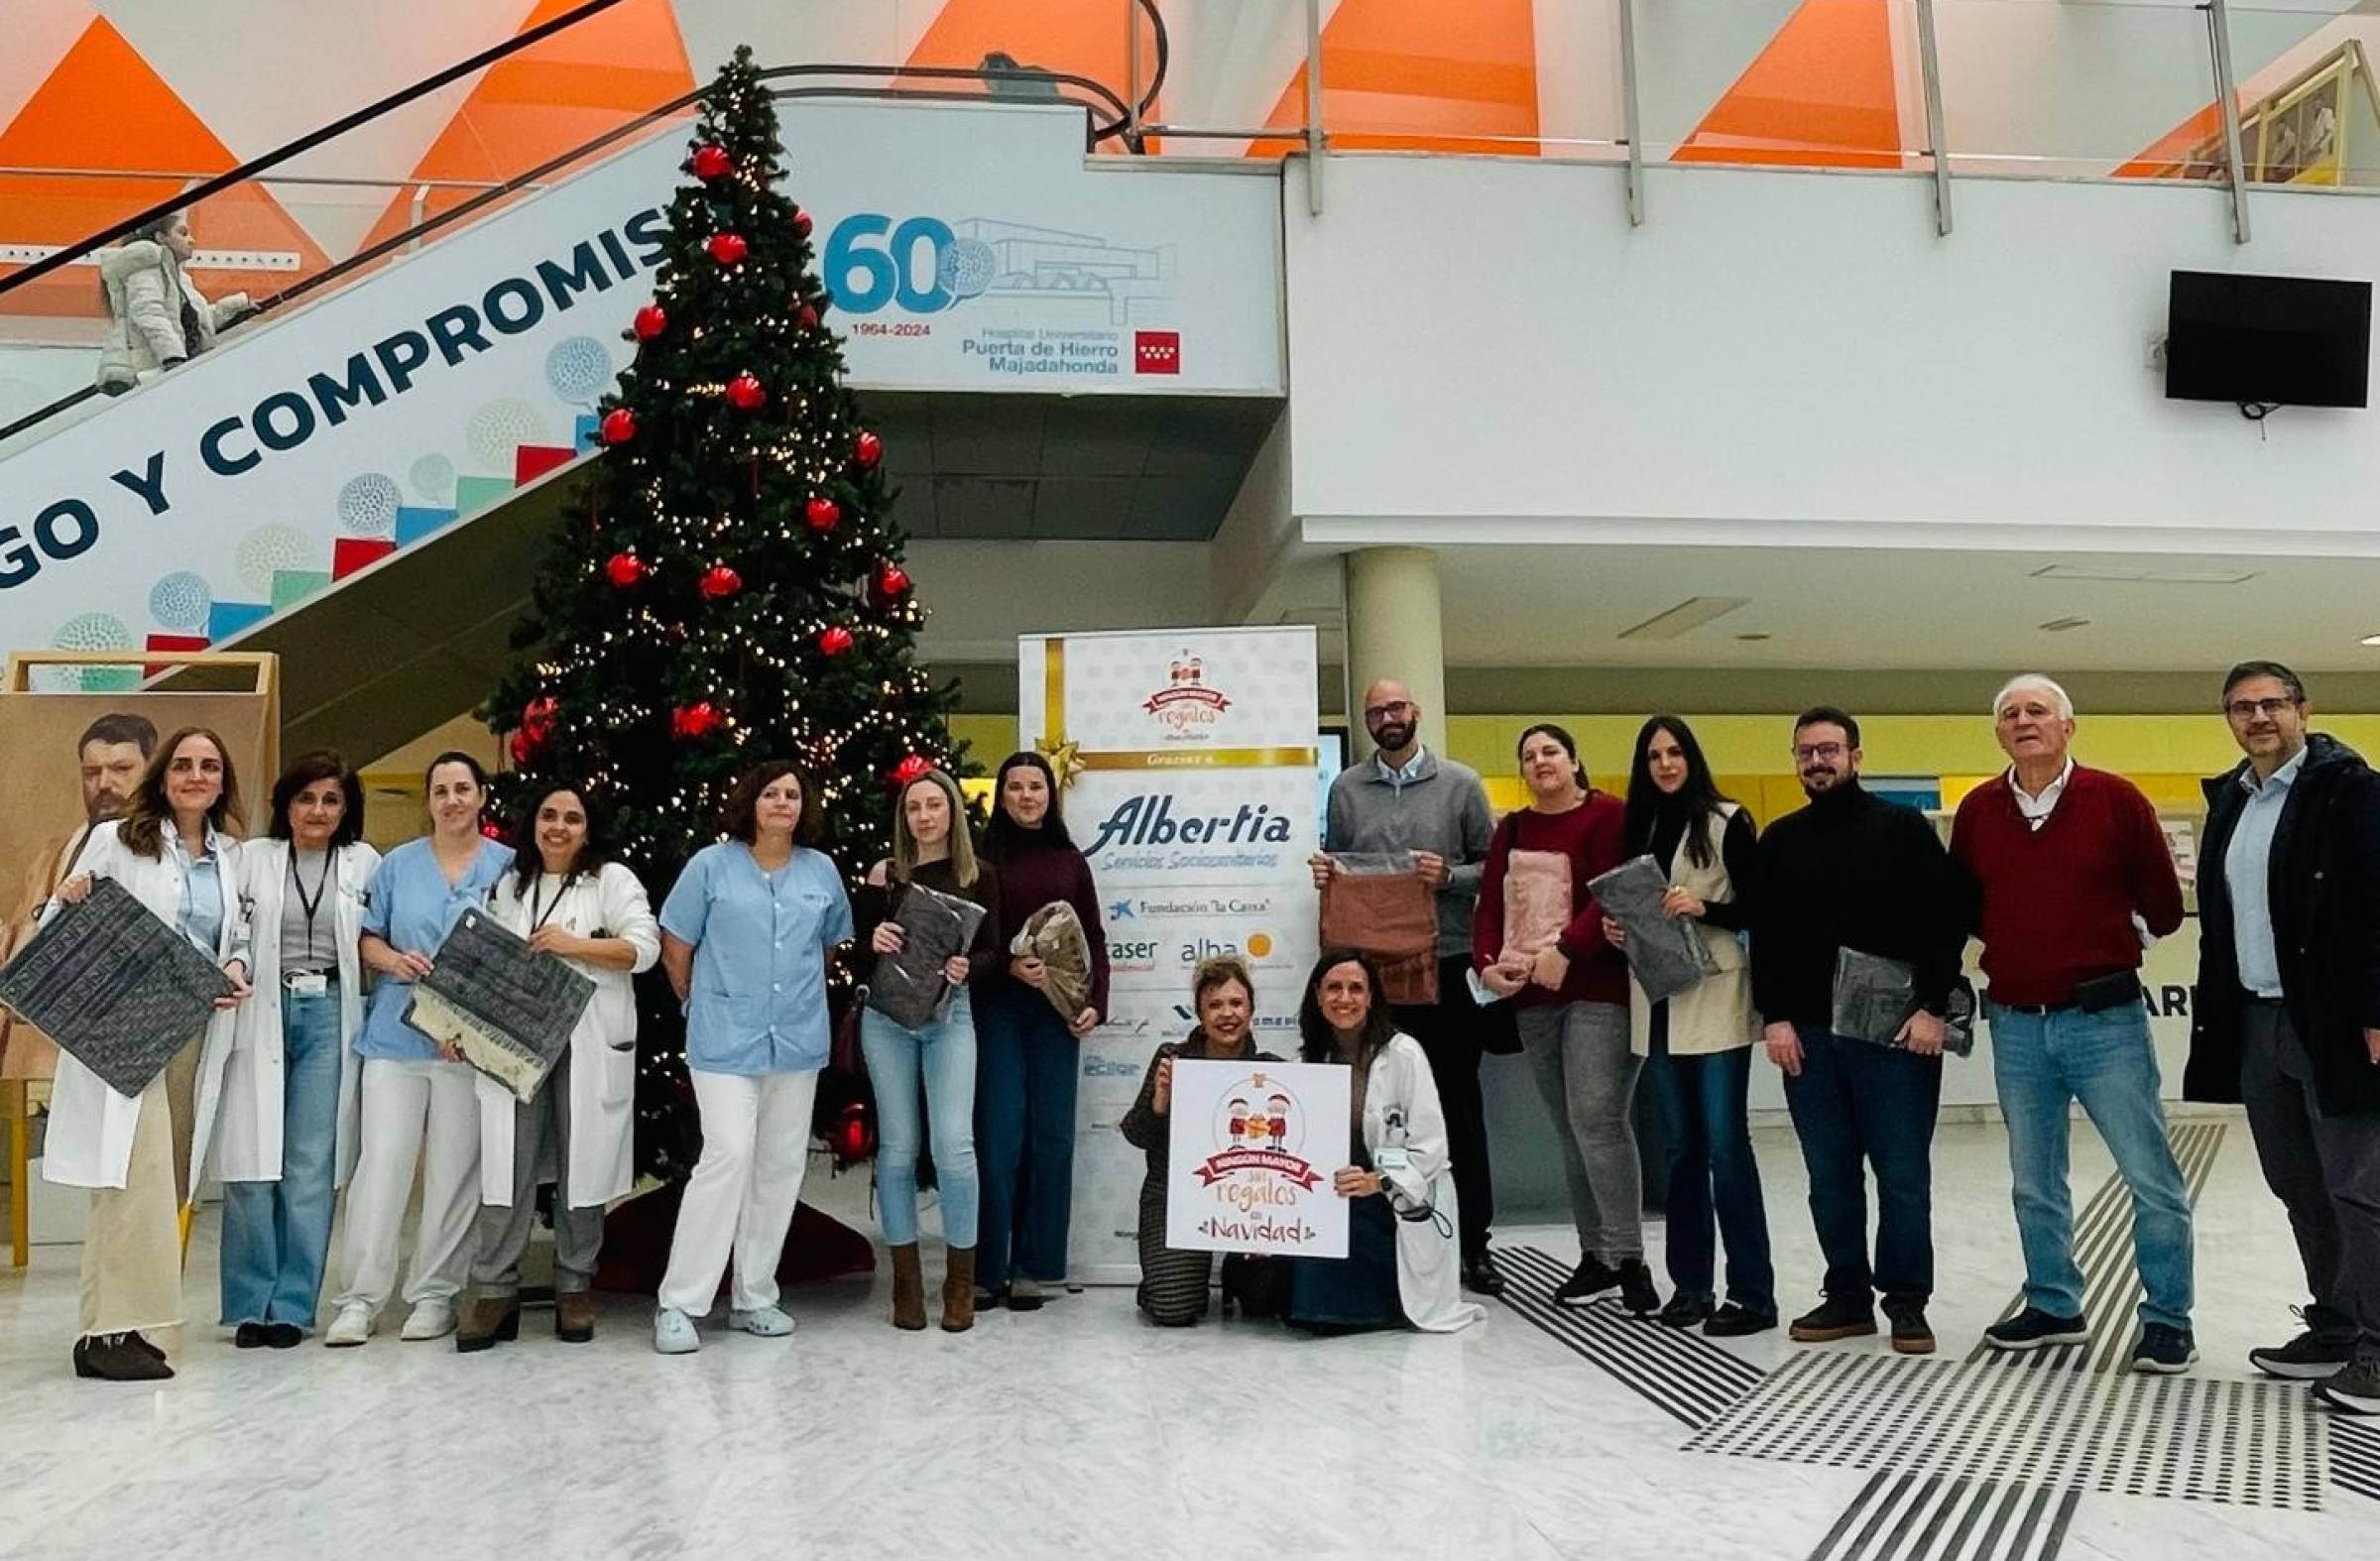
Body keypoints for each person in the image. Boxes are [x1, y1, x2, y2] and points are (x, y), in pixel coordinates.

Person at [1952, 674, 2195, 1374]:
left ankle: (2168, 1318)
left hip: (2105, 1021)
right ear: (1999, 732)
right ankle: (2054, 1303)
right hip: (2018, 1024)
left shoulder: (2115, 800)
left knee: (2149, 1177)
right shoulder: (1978, 811)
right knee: (2034, 1178)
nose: (2023, 721)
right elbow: (1966, 903)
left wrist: (2107, 949)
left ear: (2068, 727)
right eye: (2010, 714)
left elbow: (2162, 903)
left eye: (2037, 711)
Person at [2186, 661, 2380, 1413]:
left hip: (2329, 1023)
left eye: (2272, 704)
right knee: (2297, 1184)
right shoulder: (2235, 800)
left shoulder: (2350, 790)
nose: (2258, 717)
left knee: (2358, 1188)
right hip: (2258, 1021)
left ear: (2303, 710)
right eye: (2242, 707)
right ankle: (2335, 1325)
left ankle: (2377, 1350)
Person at [1752, 706, 1967, 1356]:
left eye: (1829, 750)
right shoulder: (1780, 840)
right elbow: (1767, 936)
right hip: (1810, 1039)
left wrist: (1933, 1007)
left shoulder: (1903, 830)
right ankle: (1846, 1297)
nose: (1817, 762)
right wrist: (1776, 1018)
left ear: (1855, 756)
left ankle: (1906, 1303)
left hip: (1895, 1036)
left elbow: (1944, 921)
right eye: (1805, 753)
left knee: (1902, 1176)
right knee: (1829, 1176)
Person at [45, 727, 253, 1380]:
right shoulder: (118, 839)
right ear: (163, 776)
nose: (196, 775)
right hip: (128, 1028)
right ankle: (106, 1334)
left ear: (222, 781)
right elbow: (58, 933)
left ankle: (121, 1327)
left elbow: (237, 934)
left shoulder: (230, 856)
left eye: (209, 766)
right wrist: (66, 899)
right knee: (130, 1179)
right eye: (184, 765)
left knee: (166, 1181)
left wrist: (237, 966)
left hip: (192, 1028)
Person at [1309, 678, 1503, 1296]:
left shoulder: (1462, 784)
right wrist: (1326, 872)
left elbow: (1494, 875)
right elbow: (1342, 863)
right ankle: (1382, 1227)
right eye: (1375, 712)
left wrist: (1449, 873)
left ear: (1415, 712)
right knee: (1370, 1109)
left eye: (1396, 708)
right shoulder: (1346, 789)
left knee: (1453, 1109)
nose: (1387, 718)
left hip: (1444, 966)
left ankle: (1472, 1242)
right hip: (1370, 979)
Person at [652, 762, 852, 1355]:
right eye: (771, 793)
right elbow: (676, 943)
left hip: (795, 1039)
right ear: (751, 802)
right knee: (728, 1155)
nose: (782, 803)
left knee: (781, 1164)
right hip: (723, 1039)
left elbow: (828, 943)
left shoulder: (821, 872)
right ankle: (680, 1302)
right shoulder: (710, 866)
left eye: (792, 794)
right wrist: (700, 999)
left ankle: (754, 1295)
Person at [457, 782, 658, 1352]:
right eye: (549, 816)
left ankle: (574, 1285)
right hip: (517, 1039)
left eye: (572, 818)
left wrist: (575, 946)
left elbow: (641, 949)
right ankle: (494, 1290)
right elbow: (486, 959)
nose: (559, 827)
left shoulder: (611, 881)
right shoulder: (510, 884)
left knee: (583, 1164)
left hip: (589, 1039)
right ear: (533, 825)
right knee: (508, 1164)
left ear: (587, 829)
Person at [324, 753, 514, 1348]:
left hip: (467, 1043)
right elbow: (363, 938)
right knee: (381, 1163)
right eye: (440, 790)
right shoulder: (398, 865)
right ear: (428, 799)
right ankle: (359, 1298)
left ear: (482, 797)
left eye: (463, 789)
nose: (452, 800)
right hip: (397, 1035)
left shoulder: (508, 867)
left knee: (456, 1171)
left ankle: (435, 1294)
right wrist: (394, 960)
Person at [1474, 723, 1657, 1314]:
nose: (1539, 762)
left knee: (1598, 1120)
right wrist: (1485, 965)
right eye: (1528, 756)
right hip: (1533, 1000)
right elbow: (1490, 905)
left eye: (1550, 751)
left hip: (1597, 990)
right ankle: (1595, 1255)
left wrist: (1568, 950)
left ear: (1576, 760)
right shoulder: (1513, 828)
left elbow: (1615, 892)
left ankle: (1629, 1258)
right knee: (1570, 1129)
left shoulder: (1610, 816)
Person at [1604, 716, 1775, 1336]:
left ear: (1692, 758)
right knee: (1681, 1154)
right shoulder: (1638, 827)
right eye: (1654, 756)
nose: (1666, 764)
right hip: (1659, 1004)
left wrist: (1706, 907)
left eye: (1675, 753)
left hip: (1716, 999)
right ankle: (1693, 1287)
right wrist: (1617, 929)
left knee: (1727, 1150)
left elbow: (1763, 906)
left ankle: (1752, 1293)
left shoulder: (1727, 821)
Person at [215, 751, 378, 1350]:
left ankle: (292, 1305)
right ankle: (248, 1303)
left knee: (310, 1163)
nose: (317, 810)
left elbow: (374, 938)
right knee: (253, 1160)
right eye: (306, 798)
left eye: (331, 800)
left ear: (346, 809)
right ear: (286, 804)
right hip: (262, 1007)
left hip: (330, 1012)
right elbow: (230, 927)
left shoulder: (363, 862)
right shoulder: (251, 859)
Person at [856, 767, 1000, 1334]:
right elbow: (856, 953)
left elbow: (992, 953)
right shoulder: (885, 875)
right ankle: (906, 1286)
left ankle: (959, 1284)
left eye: (934, 806)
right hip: (886, 1019)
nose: (924, 816)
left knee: (954, 1146)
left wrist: (970, 967)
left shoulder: (977, 874)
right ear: (904, 818)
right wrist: (875, 937)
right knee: (897, 1148)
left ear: (951, 813)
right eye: (914, 808)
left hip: (950, 1018)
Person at [1283, 951, 1486, 1335]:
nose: (1345, 998)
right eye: (1334, 988)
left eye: (1356, 988)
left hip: (1392, 1192)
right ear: (1317, 995)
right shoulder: (1307, 1063)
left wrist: (1377, 1180)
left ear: (1372, 997)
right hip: (1332, 1189)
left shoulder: (1404, 1054)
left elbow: (1430, 1148)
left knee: (1330, 1296)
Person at [976, 751, 1109, 1312]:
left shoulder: (1070, 860)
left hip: (1057, 1016)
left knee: (1051, 1138)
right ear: (1001, 796)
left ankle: (1037, 1265)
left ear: (1050, 796)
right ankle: (988, 1269)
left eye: (1036, 787)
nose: (1027, 796)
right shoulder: (980, 859)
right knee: (1000, 1137)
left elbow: (1094, 939)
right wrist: (1007, 967)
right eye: (1015, 787)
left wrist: (1096, 1003)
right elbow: (972, 937)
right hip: (999, 1010)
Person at [1118, 956, 1284, 1326]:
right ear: (1199, 1013)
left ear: (1251, 1008)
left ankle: (1234, 1273)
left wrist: (1274, 1220)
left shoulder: (1272, 1069)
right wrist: (1160, 1102)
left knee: (1264, 1304)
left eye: (1236, 1003)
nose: (1227, 1014)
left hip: (1249, 1200)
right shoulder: (1172, 1059)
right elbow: (1135, 1135)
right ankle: (1160, 1281)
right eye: (1215, 1004)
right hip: (1176, 1197)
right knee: (1173, 1310)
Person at [2, 713, 158, 1080]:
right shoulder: (54, 853)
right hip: (44, 1056)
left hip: (131, 1046)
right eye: (92, 773)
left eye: (121, 769)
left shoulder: (175, 851)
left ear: (152, 773)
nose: (105, 784)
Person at [96, 209, 250, 393]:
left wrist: (235, 308)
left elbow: (193, 325)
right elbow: (149, 315)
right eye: (182, 233)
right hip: (158, 376)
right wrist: (173, 358)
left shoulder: (179, 278)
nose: (191, 240)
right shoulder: (145, 271)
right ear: (161, 238)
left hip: (178, 370)